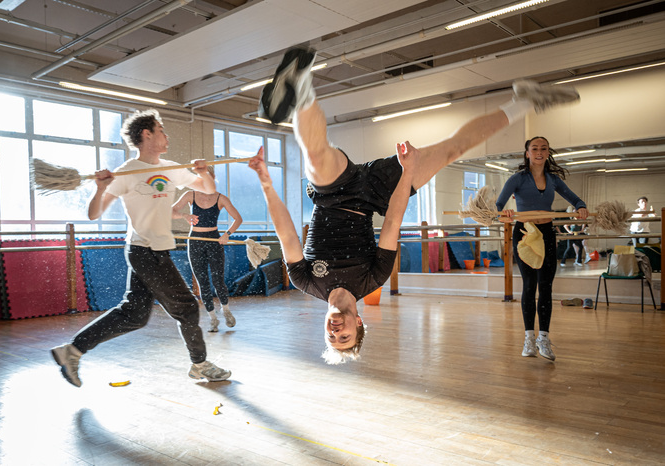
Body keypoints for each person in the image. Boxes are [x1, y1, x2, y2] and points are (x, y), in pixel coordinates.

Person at [256, 46, 580, 364]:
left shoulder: (306, 281)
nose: (336, 332)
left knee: (315, 157)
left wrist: (267, 184)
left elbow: (287, 236)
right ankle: (524, 101)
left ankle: (299, 88)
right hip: (376, 198)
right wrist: (408, 171)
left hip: (332, 195)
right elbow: (393, 223)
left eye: (331, 338)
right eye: (345, 337)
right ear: (359, 324)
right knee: (453, 149)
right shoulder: (373, 280)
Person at [51, 109, 231, 386]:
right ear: (146, 134)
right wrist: (100, 189)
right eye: (161, 130)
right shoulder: (126, 173)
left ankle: (72, 350)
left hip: (152, 250)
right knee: (186, 308)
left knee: (133, 314)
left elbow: (207, 189)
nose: (166, 135)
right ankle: (199, 364)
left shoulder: (170, 168)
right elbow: (94, 214)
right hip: (145, 250)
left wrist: (204, 173)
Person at [496, 136, 588, 361]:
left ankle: (543, 338)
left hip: (547, 234)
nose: (539, 152)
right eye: (534, 148)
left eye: (543, 148)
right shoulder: (517, 179)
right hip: (525, 235)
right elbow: (499, 205)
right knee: (529, 285)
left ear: (548, 153)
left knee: (546, 287)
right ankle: (529, 338)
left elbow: (575, 199)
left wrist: (582, 207)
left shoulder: (553, 180)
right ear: (527, 153)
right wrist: (505, 214)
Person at [172, 166, 242, 332]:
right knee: (202, 282)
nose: (203, 180)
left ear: (212, 178)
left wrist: (227, 234)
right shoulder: (190, 195)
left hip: (214, 241)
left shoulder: (220, 198)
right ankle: (212, 318)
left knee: (218, 280)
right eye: (200, 177)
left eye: (206, 177)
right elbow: (171, 211)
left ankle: (226, 310)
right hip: (195, 241)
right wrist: (184, 216)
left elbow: (238, 218)